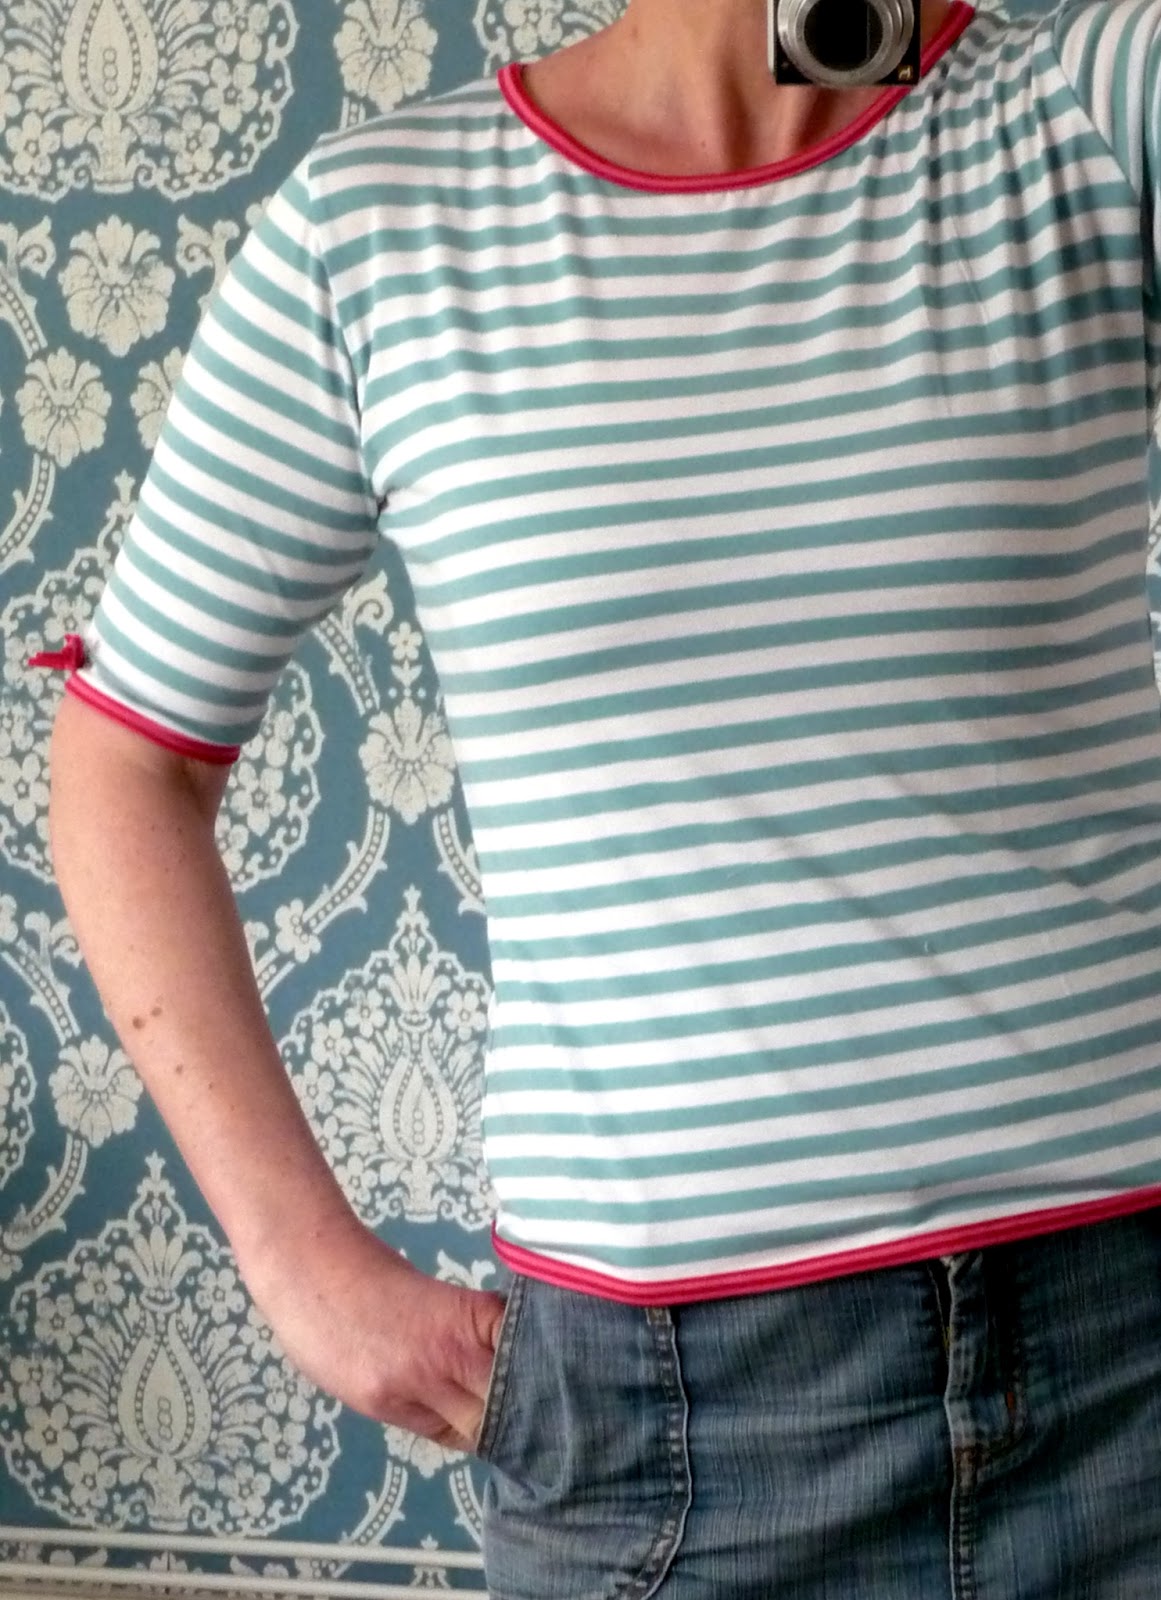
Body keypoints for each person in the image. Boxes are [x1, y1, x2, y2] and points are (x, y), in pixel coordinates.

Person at [40, 0, 1161, 1591]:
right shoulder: (380, 232)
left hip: (1127, 1344)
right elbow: (129, 758)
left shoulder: (1090, 108)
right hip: (671, 1430)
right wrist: (303, 1270)